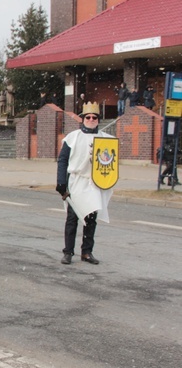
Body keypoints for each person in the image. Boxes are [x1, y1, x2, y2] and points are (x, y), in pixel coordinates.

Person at [56, 102, 113, 265]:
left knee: (90, 219)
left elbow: (110, 164)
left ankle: (87, 252)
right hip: (76, 181)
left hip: (94, 183)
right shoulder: (72, 138)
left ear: (98, 119)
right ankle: (68, 252)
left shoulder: (106, 139)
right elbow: (63, 161)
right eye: (88, 117)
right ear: (82, 119)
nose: (91, 119)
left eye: (94, 117)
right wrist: (61, 182)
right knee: (72, 218)